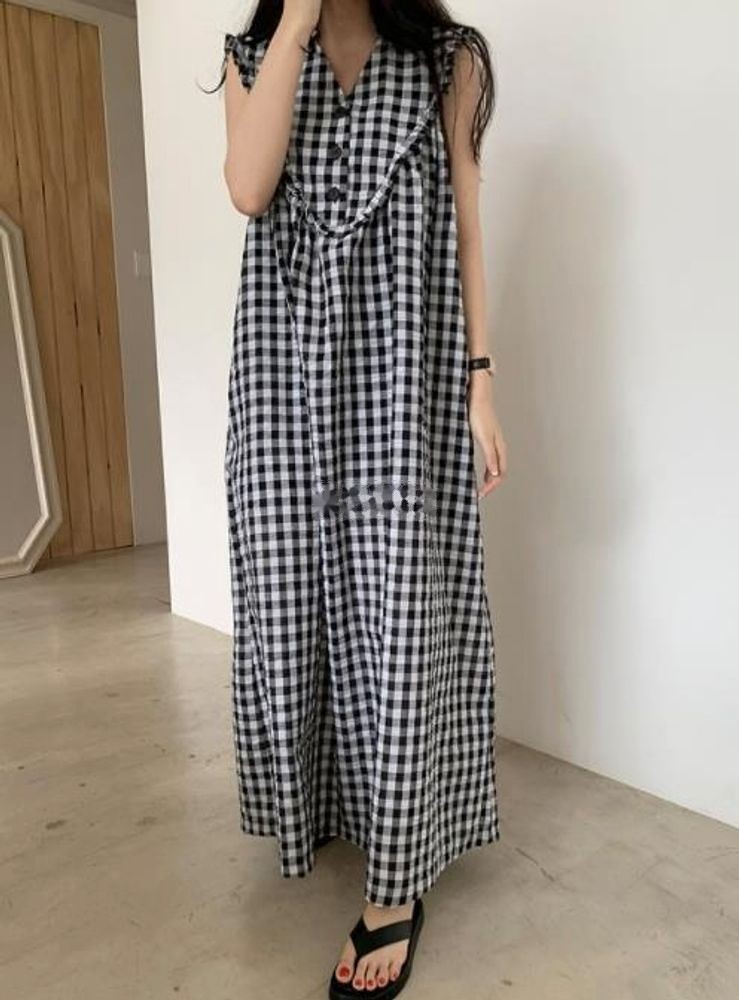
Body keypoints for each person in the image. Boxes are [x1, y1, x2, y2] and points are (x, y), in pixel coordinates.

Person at [220, 1, 507, 996]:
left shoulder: (446, 60)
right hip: (284, 384)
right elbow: (249, 189)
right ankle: (329, 808)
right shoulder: (253, 56)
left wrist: (480, 381)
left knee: (400, 616)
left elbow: (466, 224)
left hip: (403, 379)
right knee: (294, 604)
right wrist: (296, 21)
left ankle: (395, 886)